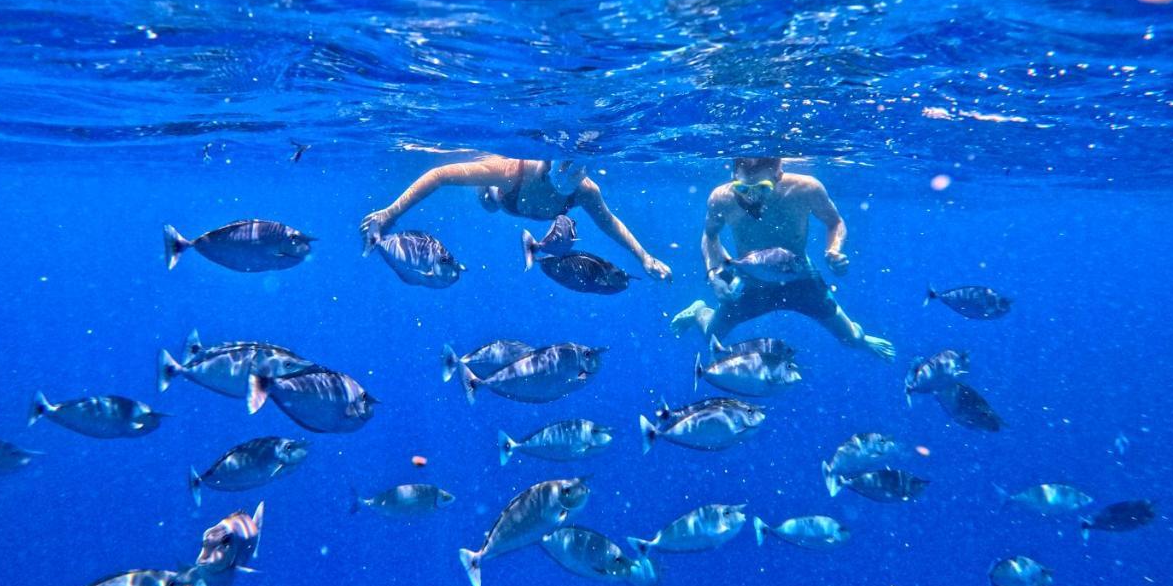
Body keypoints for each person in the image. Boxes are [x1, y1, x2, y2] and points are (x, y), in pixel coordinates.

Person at [670, 156, 894, 360]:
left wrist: (833, 250)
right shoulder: (721, 198)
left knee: (852, 339)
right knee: (711, 336)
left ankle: (863, 339)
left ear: (778, 175)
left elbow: (834, 222)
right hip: (752, 282)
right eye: (742, 188)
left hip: (800, 278)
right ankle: (700, 310)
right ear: (733, 177)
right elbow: (710, 237)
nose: (752, 197)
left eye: (762, 188)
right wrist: (713, 274)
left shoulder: (806, 189)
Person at [359, 153, 672, 280]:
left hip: (525, 204)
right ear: (550, 162)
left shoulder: (586, 190)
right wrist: (391, 212)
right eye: (565, 168)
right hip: (501, 196)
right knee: (489, 201)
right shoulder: (512, 170)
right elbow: (440, 174)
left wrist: (644, 257)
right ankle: (486, 188)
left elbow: (608, 222)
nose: (571, 176)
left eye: (577, 171)